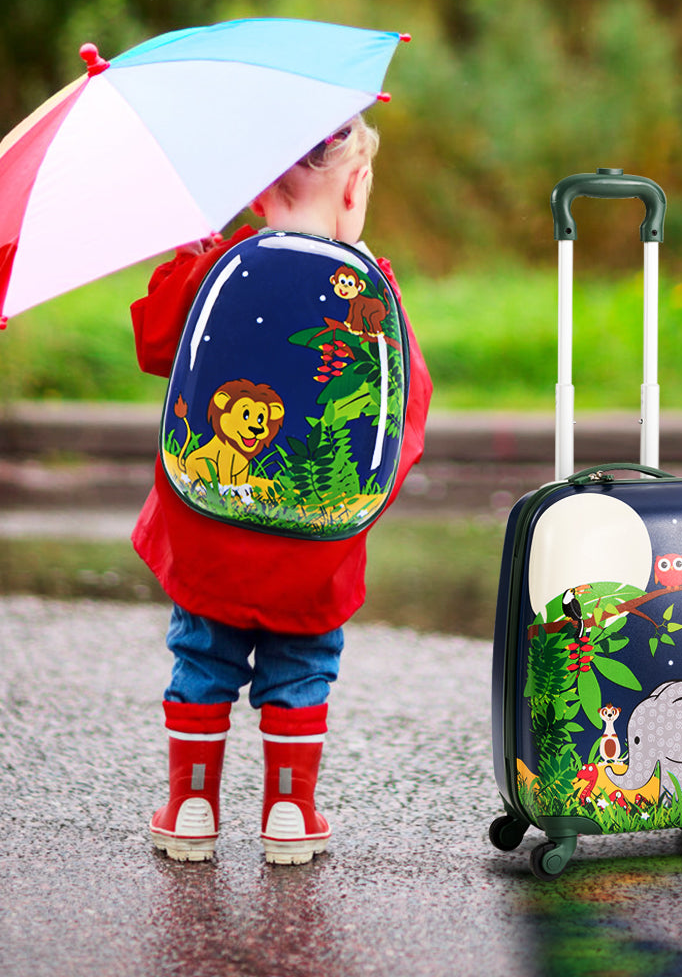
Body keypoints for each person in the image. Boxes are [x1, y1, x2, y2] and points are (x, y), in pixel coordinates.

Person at [129, 115, 433, 865]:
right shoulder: (370, 294)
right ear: (357, 185)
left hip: (209, 536)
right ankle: (290, 815)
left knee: (202, 657)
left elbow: (156, 347)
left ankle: (192, 806)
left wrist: (194, 249)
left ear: (257, 190)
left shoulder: (222, 263)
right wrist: (355, 508)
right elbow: (407, 410)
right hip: (314, 551)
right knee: (301, 666)